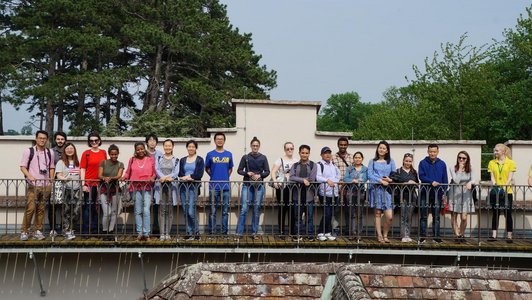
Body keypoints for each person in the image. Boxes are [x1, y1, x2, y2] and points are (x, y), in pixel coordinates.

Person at [19, 130, 55, 241]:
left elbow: (51, 167)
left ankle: (37, 231)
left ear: (47, 140)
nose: (42, 140)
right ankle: (24, 231)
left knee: (41, 209)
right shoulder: (28, 151)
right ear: (36, 138)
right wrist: (29, 176)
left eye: (44, 138)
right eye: (40, 138)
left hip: (46, 185)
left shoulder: (50, 152)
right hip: (33, 185)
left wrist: (51, 180)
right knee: (30, 208)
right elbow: (22, 167)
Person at [235, 137, 270, 239]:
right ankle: (239, 233)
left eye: (257, 146)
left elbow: (267, 171)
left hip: (259, 186)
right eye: (253, 145)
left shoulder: (263, 158)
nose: (255, 147)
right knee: (244, 209)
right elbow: (239, 170)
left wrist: (260, 175)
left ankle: (254, 233)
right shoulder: (245, 157)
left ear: (259, 146)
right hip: (247, 185)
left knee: (256, 209)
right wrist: (247, 173)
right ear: (251, 146)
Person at [123, 142, 156, 241]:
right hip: (135, 188)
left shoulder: (150, 159)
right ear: (135, 151)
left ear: (144, 149)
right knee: (138, 211)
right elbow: (128, 172)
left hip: (147, 187)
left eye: (142, 149)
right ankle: (139, 233)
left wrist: (152, 177)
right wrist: (123, 177)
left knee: (146, 210)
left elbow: (154, 173)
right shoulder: (132, 160)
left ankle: (146, 233)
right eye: (138, 149)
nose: (140, 151)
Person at [418, 144, 448, 244]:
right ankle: (422, 237)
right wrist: (432, 182)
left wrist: (444, 191)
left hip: (437, 194)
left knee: (437, 216)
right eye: (431, 151)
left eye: (434, 151)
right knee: (423, 216)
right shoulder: (422, 163)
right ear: (428, 151)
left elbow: (445, 179)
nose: (432, 153)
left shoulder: (442, 164)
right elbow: (421, 176)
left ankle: (436, 237)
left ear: (437, 152)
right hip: (424, 193)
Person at [205, 132, 233, 237]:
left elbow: (230, 169)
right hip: (213, 186)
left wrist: (224, 177)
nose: (219, 140)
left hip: (226, 186)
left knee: (225, 211)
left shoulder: (229, 154)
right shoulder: (210, 154)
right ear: (215, 140)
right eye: (218, 139)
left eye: (221, 139)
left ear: (224, 141)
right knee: (212, 210)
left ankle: (224, 233)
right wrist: (214, 176)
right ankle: (212, 232)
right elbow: (207, 168)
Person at [367, 141, 396, 243]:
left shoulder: (391, 161)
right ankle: (379, 235)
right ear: (377, 149)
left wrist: (389, 179)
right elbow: (369, 175)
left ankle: (385, 234)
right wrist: (380, 181)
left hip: (387, 191)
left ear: (387, 150)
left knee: (389, 216)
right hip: (376, 189)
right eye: (380, 148)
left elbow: (394, 174)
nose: (381, 150)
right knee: (377, 213)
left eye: (384, 148)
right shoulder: (372, 161)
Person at [487, 144, 516, 242]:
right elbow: (492, 176)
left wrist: (504, 187)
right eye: (494, 151)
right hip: (496, 191)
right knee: (495, 212)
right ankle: (494, 235)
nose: (495, 152)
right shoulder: (492, 162)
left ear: (503, 151)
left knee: (508, 213)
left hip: (507, 191)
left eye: (496, 151)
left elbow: (510, 177)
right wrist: (495, 185)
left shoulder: (510, 162)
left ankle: (509, 236)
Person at [289, 145, 318, 242]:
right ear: (299, 153)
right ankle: (298, 235)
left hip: (309, 194)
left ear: (309, 154)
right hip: (297, 194)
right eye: (302, 153)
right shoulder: (295, 165)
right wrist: (303, 180)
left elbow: (312, 179)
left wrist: (302, 180)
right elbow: (291, 177)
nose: (304, 155)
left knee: (309, 217)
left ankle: (309, 235)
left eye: (306, 153)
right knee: (297, 217)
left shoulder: (313, 165)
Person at [80, 132, 107, 235]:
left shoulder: (103, 152)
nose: (94, 142)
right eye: (91, 141)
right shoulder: (86, 153)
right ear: (89, 142)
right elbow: (82, 169)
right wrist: (83, 184)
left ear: (99, 141)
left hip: (100, 184)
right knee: (88, 207)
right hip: (89, 184)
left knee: (97, 207)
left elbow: (105, 167)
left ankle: (95, 229)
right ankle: (86, 230)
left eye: (96, 140)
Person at [178, 140, 205, 241]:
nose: (191, 148)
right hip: (183, 187)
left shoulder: (199, 160)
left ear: (195, 148)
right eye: (189, 146)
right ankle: (189, 232)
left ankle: (196, 232)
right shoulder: (182, 160)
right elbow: (180, 173)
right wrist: (185, 178)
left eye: (193, 147)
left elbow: (199, 174)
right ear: (187, 148)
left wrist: (189, 177)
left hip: (194, 187)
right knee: (185, 211)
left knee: (191, 211)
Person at [270, 142, 297, 238]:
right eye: (287, 149)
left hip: (293, 188)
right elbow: (273, 171)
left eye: (291, 148)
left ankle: (292, 231)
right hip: (282, 187)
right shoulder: (280, 160)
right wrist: (275, 181)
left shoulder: (296, 161)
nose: (290, 150)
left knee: (292, 209)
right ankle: (281, 231)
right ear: (285, 150)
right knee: (282, 208)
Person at [448, 151, 476, 243]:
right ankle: (457, 235)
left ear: (467, 159)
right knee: (454, 216)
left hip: (465, 194)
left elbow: (474, 179)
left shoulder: (470, 168)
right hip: (454, 193)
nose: (461, 160)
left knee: (464, 217)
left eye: (464, 158)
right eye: (459, 157)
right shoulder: (453, 168)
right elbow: (456, 181)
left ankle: (462, 233)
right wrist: (460, 170)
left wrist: (470, 182)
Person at [98, 144, 124, 241]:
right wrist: (104, 178)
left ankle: (111, 231)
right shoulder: (103, 163)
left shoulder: (120, 164)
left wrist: (111, 178)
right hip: (104, 189)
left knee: (113, 212)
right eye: (112, 154)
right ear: (109, 154)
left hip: (115, 189)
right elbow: (99, 175)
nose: (114, 156)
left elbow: (119, 175)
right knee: (106, 212)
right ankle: (105, 231)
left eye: (115, 154)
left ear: (118, 154)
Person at [55, 142, 81, 240]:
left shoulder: (78, 162)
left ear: (74, 150)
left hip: (77, 189)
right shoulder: (61, 162)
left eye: (71, 148)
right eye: (67, 149)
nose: (70, 150)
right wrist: (66, 179)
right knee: (66, 210)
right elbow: (58, 175)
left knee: (76, 211)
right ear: (64, 151)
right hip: (66, 189)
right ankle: (66, 230)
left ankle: (71, 228)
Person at [154, 139, 178, 241]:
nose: (168, 147)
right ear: (163, 147)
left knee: (170, 211)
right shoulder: (159, 158)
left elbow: (176, 172)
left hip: (171, 187)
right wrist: (163, 177)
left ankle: (167, 233)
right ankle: (161, 233)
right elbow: (157, 169)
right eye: (166, 146)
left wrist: (167, 177)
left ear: (172, 147)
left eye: (170, 146)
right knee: (162, 211)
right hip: (161, 186)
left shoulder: (176, 160)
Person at [316, 146, 341, 241]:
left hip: (334, 193)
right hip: (324, 193)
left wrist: (334, 181)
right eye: (325, 153)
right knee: (327, 213)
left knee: (331, 214)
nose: (327, 155)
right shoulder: (319, 165)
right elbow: (318, 177)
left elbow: (338, 175)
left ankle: (327, 232)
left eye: (329, 153)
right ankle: (320, 232)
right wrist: (327, 180)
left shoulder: (333, 164)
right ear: (321, 155)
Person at [393, 153, 419, 243]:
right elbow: (395, 181)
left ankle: (408, 235)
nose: (408, 163)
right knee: (403, 216)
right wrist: (407, 182)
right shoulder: (398, 171)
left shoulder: (414, 172)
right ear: (403, 161)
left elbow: (417, 183)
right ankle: (403, 235)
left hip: (412, 197)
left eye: (410, 161)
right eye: (406, 161)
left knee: (409, 216)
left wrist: (414, 183)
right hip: (402, 196)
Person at [343, 151, 368, 239]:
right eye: (356, 157)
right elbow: (345, 178)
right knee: (351, 213)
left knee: (360, 213)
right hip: (350, 193)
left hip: (360, 193)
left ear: (362, 159)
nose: (357, 159)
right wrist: (352, 181)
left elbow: (364, 179)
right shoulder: (350, 168)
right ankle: (352, 232)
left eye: (359, 157)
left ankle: (358, 233)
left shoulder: (365, 169)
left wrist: (355, 180)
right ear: (353, 159)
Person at [331, 137, 353, 236]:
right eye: (341, 144)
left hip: (349, 188)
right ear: (338, 145)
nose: (343, 146)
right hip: (336, 187)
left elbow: (355, 172)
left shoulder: (352, 157)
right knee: (335, 210)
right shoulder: (333, 157)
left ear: (347, 145)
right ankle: (335, 229)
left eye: (345, 144)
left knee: (349, 209)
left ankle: (349, 230)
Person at [49, 131, 67, 236]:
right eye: (58, 139)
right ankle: (53, 229)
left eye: (62, 139)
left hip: (67, 182)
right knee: (53, 206)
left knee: (65, 207)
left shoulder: (69, 150)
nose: (60, 141)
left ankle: (65, 228)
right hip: (55, 182)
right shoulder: (51, 152)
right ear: (55, 140)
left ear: (65, 140)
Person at [145, 133, 163, 235]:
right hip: (146, 183)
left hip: (157, 183)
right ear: (147, 142)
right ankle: (145, 230)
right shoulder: (143, 153)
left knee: (157, 205)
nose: (152, 142)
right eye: (150, 140)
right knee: (146, 206)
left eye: (154, 140)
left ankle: (156, 227)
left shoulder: (160, 153)